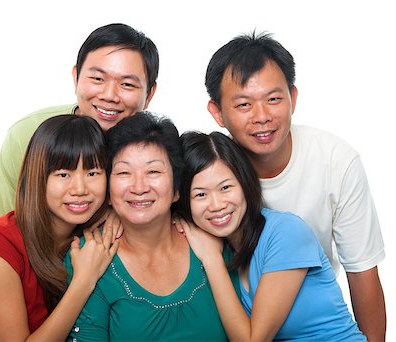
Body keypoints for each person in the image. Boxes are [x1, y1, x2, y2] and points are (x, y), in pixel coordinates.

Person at [204, 31, 386, 340]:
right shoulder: (210, 173)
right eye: (244, 104)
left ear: (293, 98)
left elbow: (362, 270)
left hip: (310, 315)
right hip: (240, 310)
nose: (262, 117)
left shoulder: (336, 160)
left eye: (274, 99)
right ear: (217, 112)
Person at [175, 130, 366, 341]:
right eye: (200, 194)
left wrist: (212, 260)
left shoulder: (286, 232)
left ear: (245, 184)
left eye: (226, 187)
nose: (217, 205)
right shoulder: (221, 246)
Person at [65, 112, 238, 341]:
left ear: (177, 188)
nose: (139, 187)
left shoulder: (209, 239)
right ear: (107, 191)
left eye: (154, 171)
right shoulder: (90, 254)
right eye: (124, 172)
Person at [0, 115, 119, 341]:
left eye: (92, 173)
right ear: (38, 177)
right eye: (63, 174)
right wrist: (83, 281)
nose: (80, 188)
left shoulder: (90, 232)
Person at [0, 22, 159, 228]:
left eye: (127, 84)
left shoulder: (157, 148)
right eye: (97, 78)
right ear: (76, 77)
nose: (109, 95)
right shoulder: (28, 133)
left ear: (149, 94)